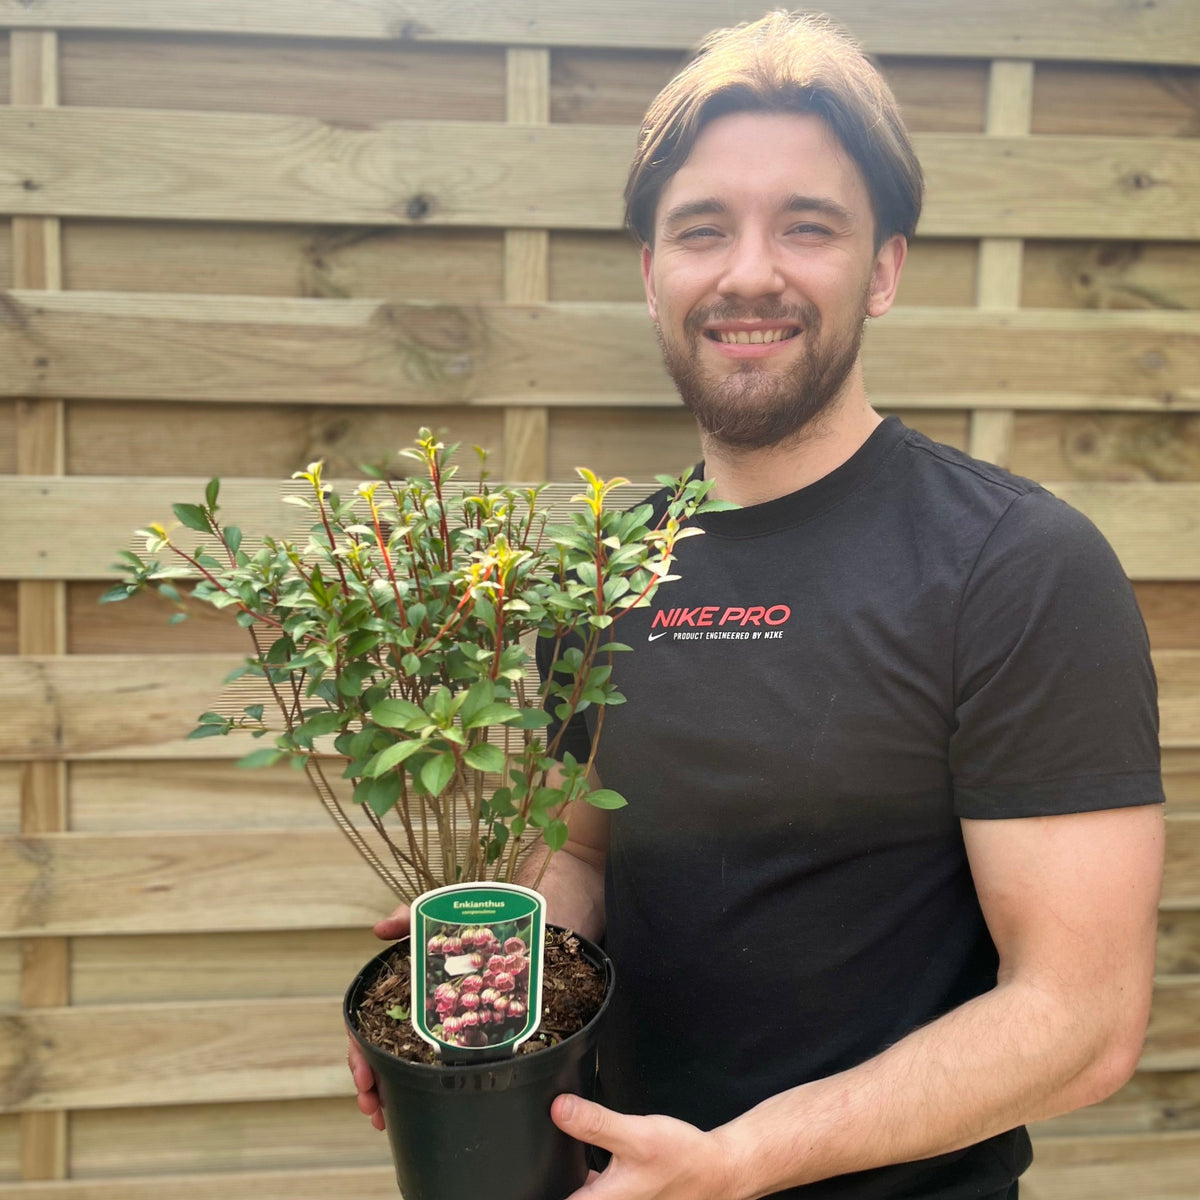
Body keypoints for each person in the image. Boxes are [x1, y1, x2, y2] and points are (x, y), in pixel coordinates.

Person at [350, 11, 1165, 1198]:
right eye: (703, 230)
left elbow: (1083, 1020)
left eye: (807, 227)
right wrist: (473, 977)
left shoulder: (1017, 565)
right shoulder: (605, 562)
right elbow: (584, 852)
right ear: (651, 273)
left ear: (882, 266)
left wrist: (739, 1164)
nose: (747, 273)